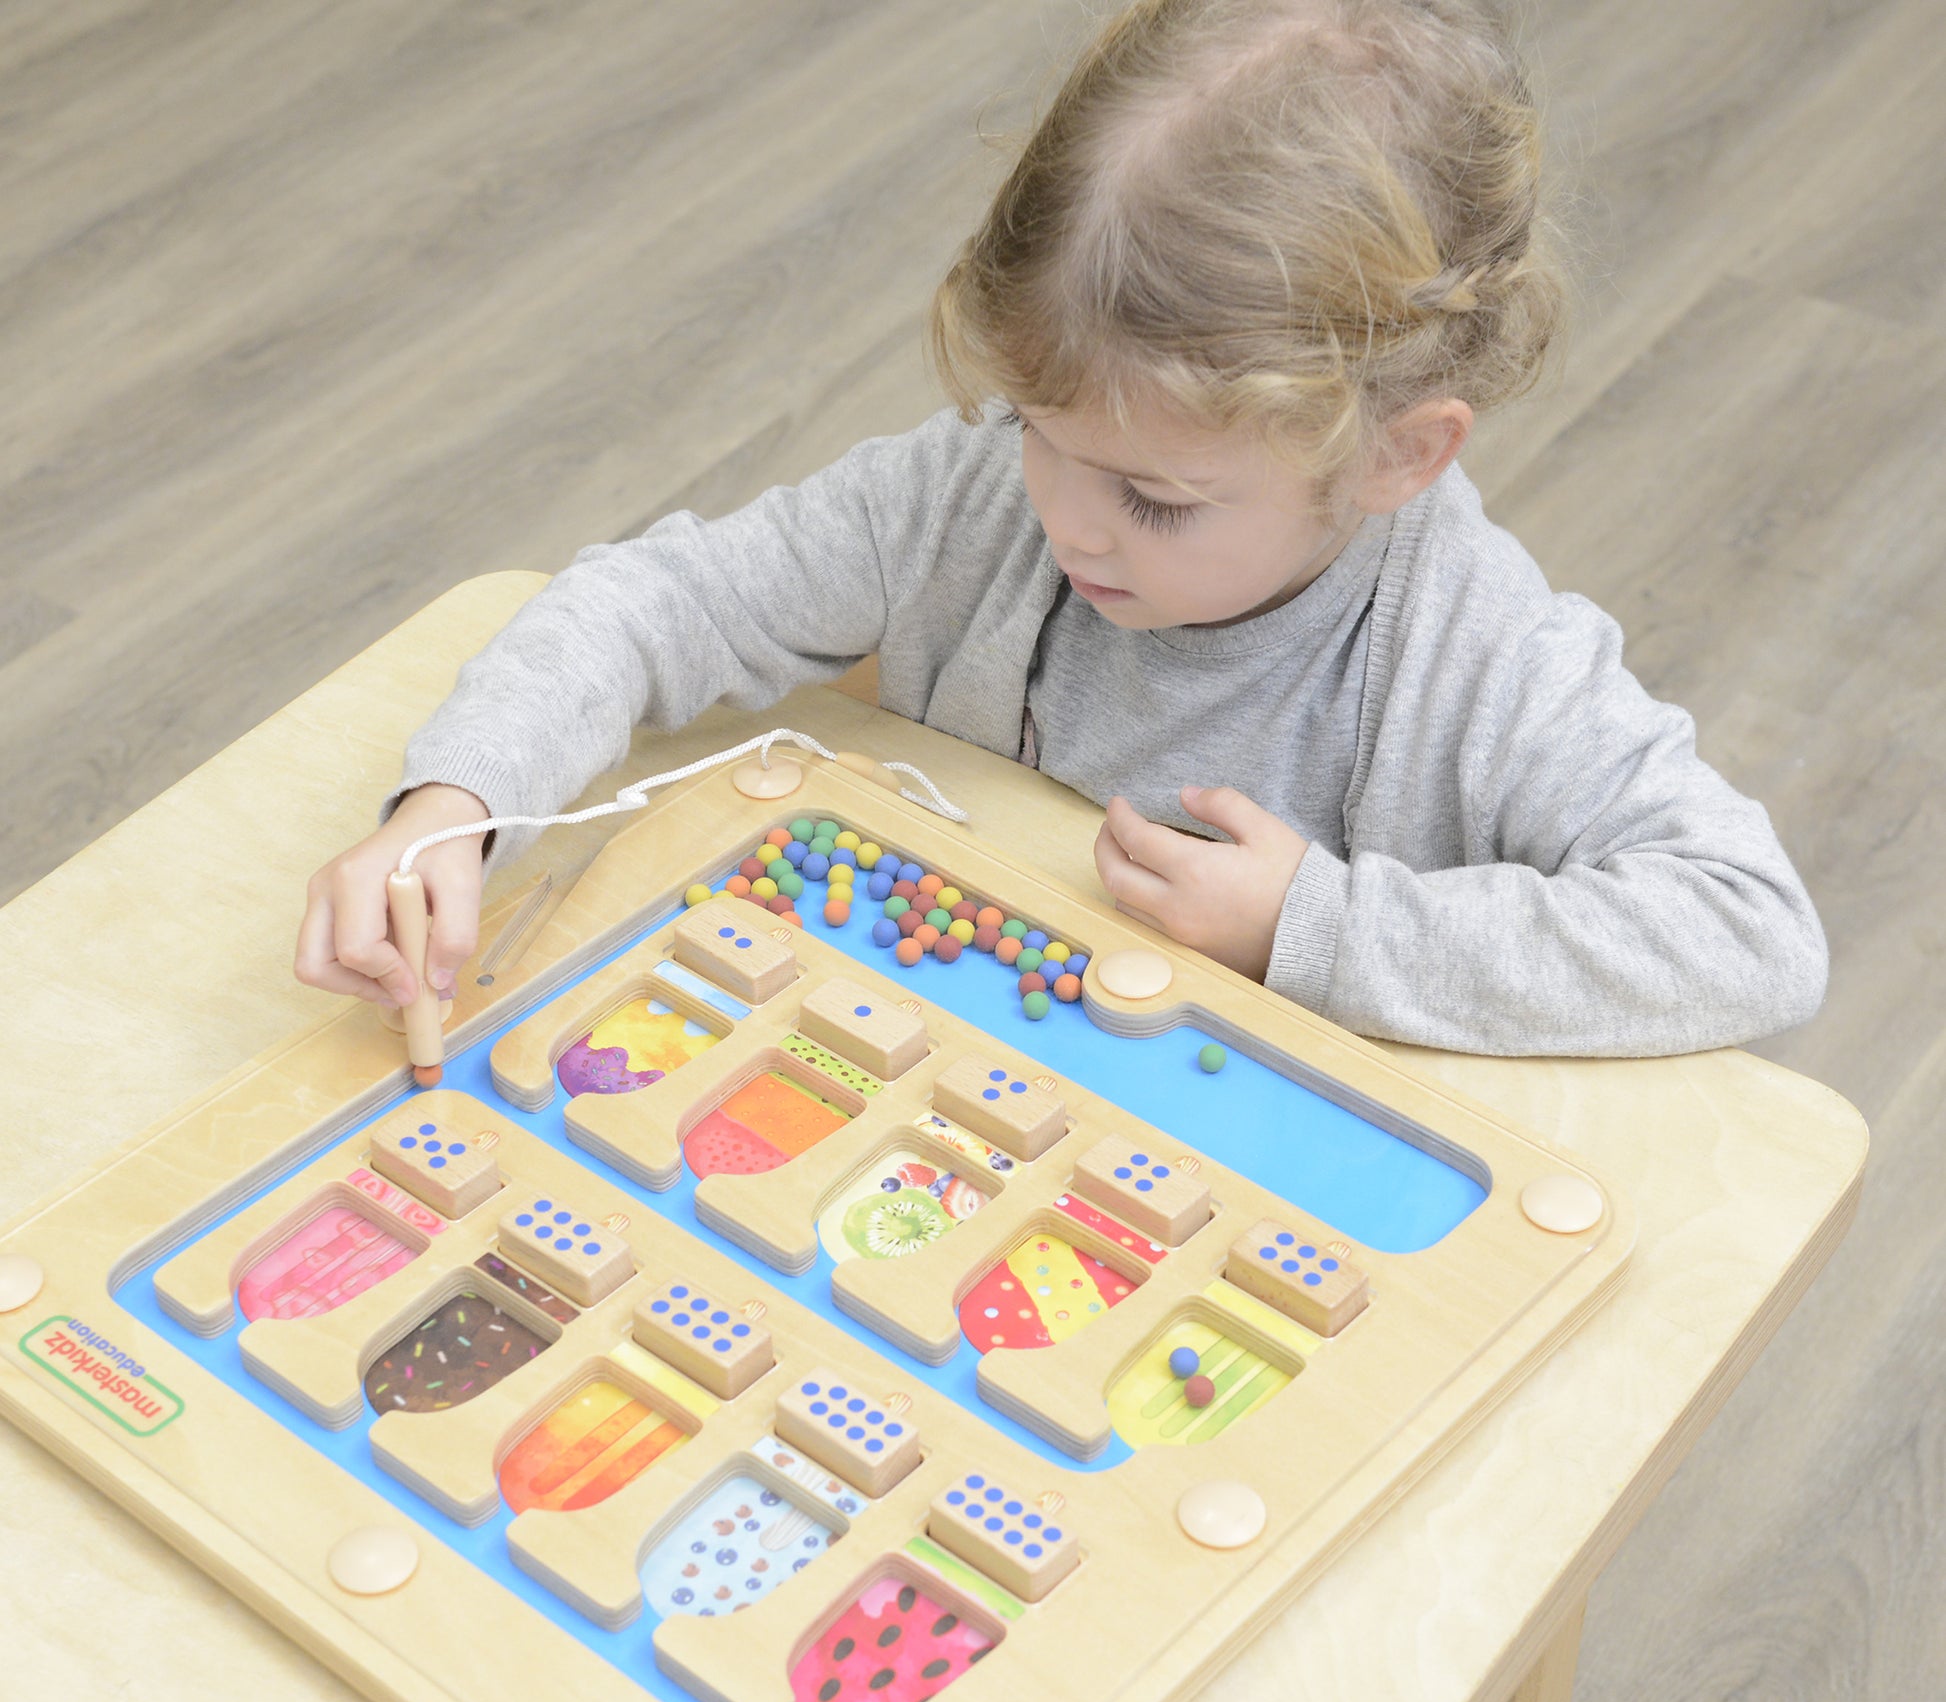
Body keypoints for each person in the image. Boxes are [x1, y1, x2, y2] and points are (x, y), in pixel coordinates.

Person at [296, 0, 1825, 1056]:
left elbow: (1748, 930)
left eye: (1157, 499)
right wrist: (453, 806)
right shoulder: (968, 496)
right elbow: (651, 603)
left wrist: (1314, 925)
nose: (1071, 526)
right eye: (1041, 431)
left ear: (1394, 456)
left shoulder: (1471, 654)